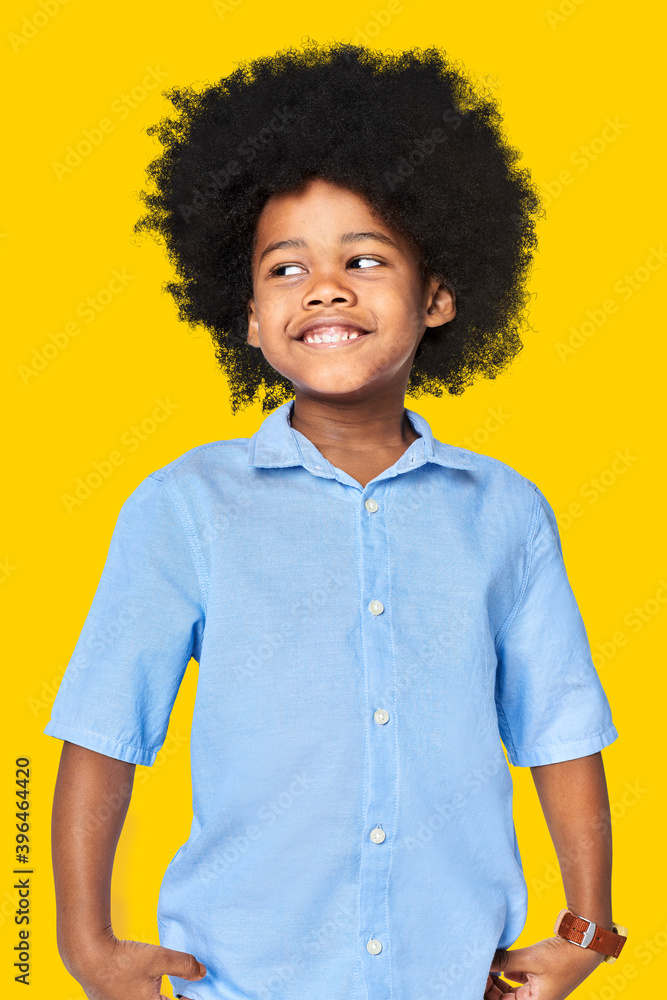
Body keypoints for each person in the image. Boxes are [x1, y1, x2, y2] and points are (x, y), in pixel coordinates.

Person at [45, 39, 622, 1000]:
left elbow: (560, 727)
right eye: (285, 269)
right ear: (248, 318)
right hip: (239, 979)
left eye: (365, 258)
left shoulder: (505, 512)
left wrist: (588, 931)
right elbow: (104, 726)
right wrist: (83, 944)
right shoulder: (186, 506)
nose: (325, 287)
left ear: (436, 297)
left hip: (457, 979)